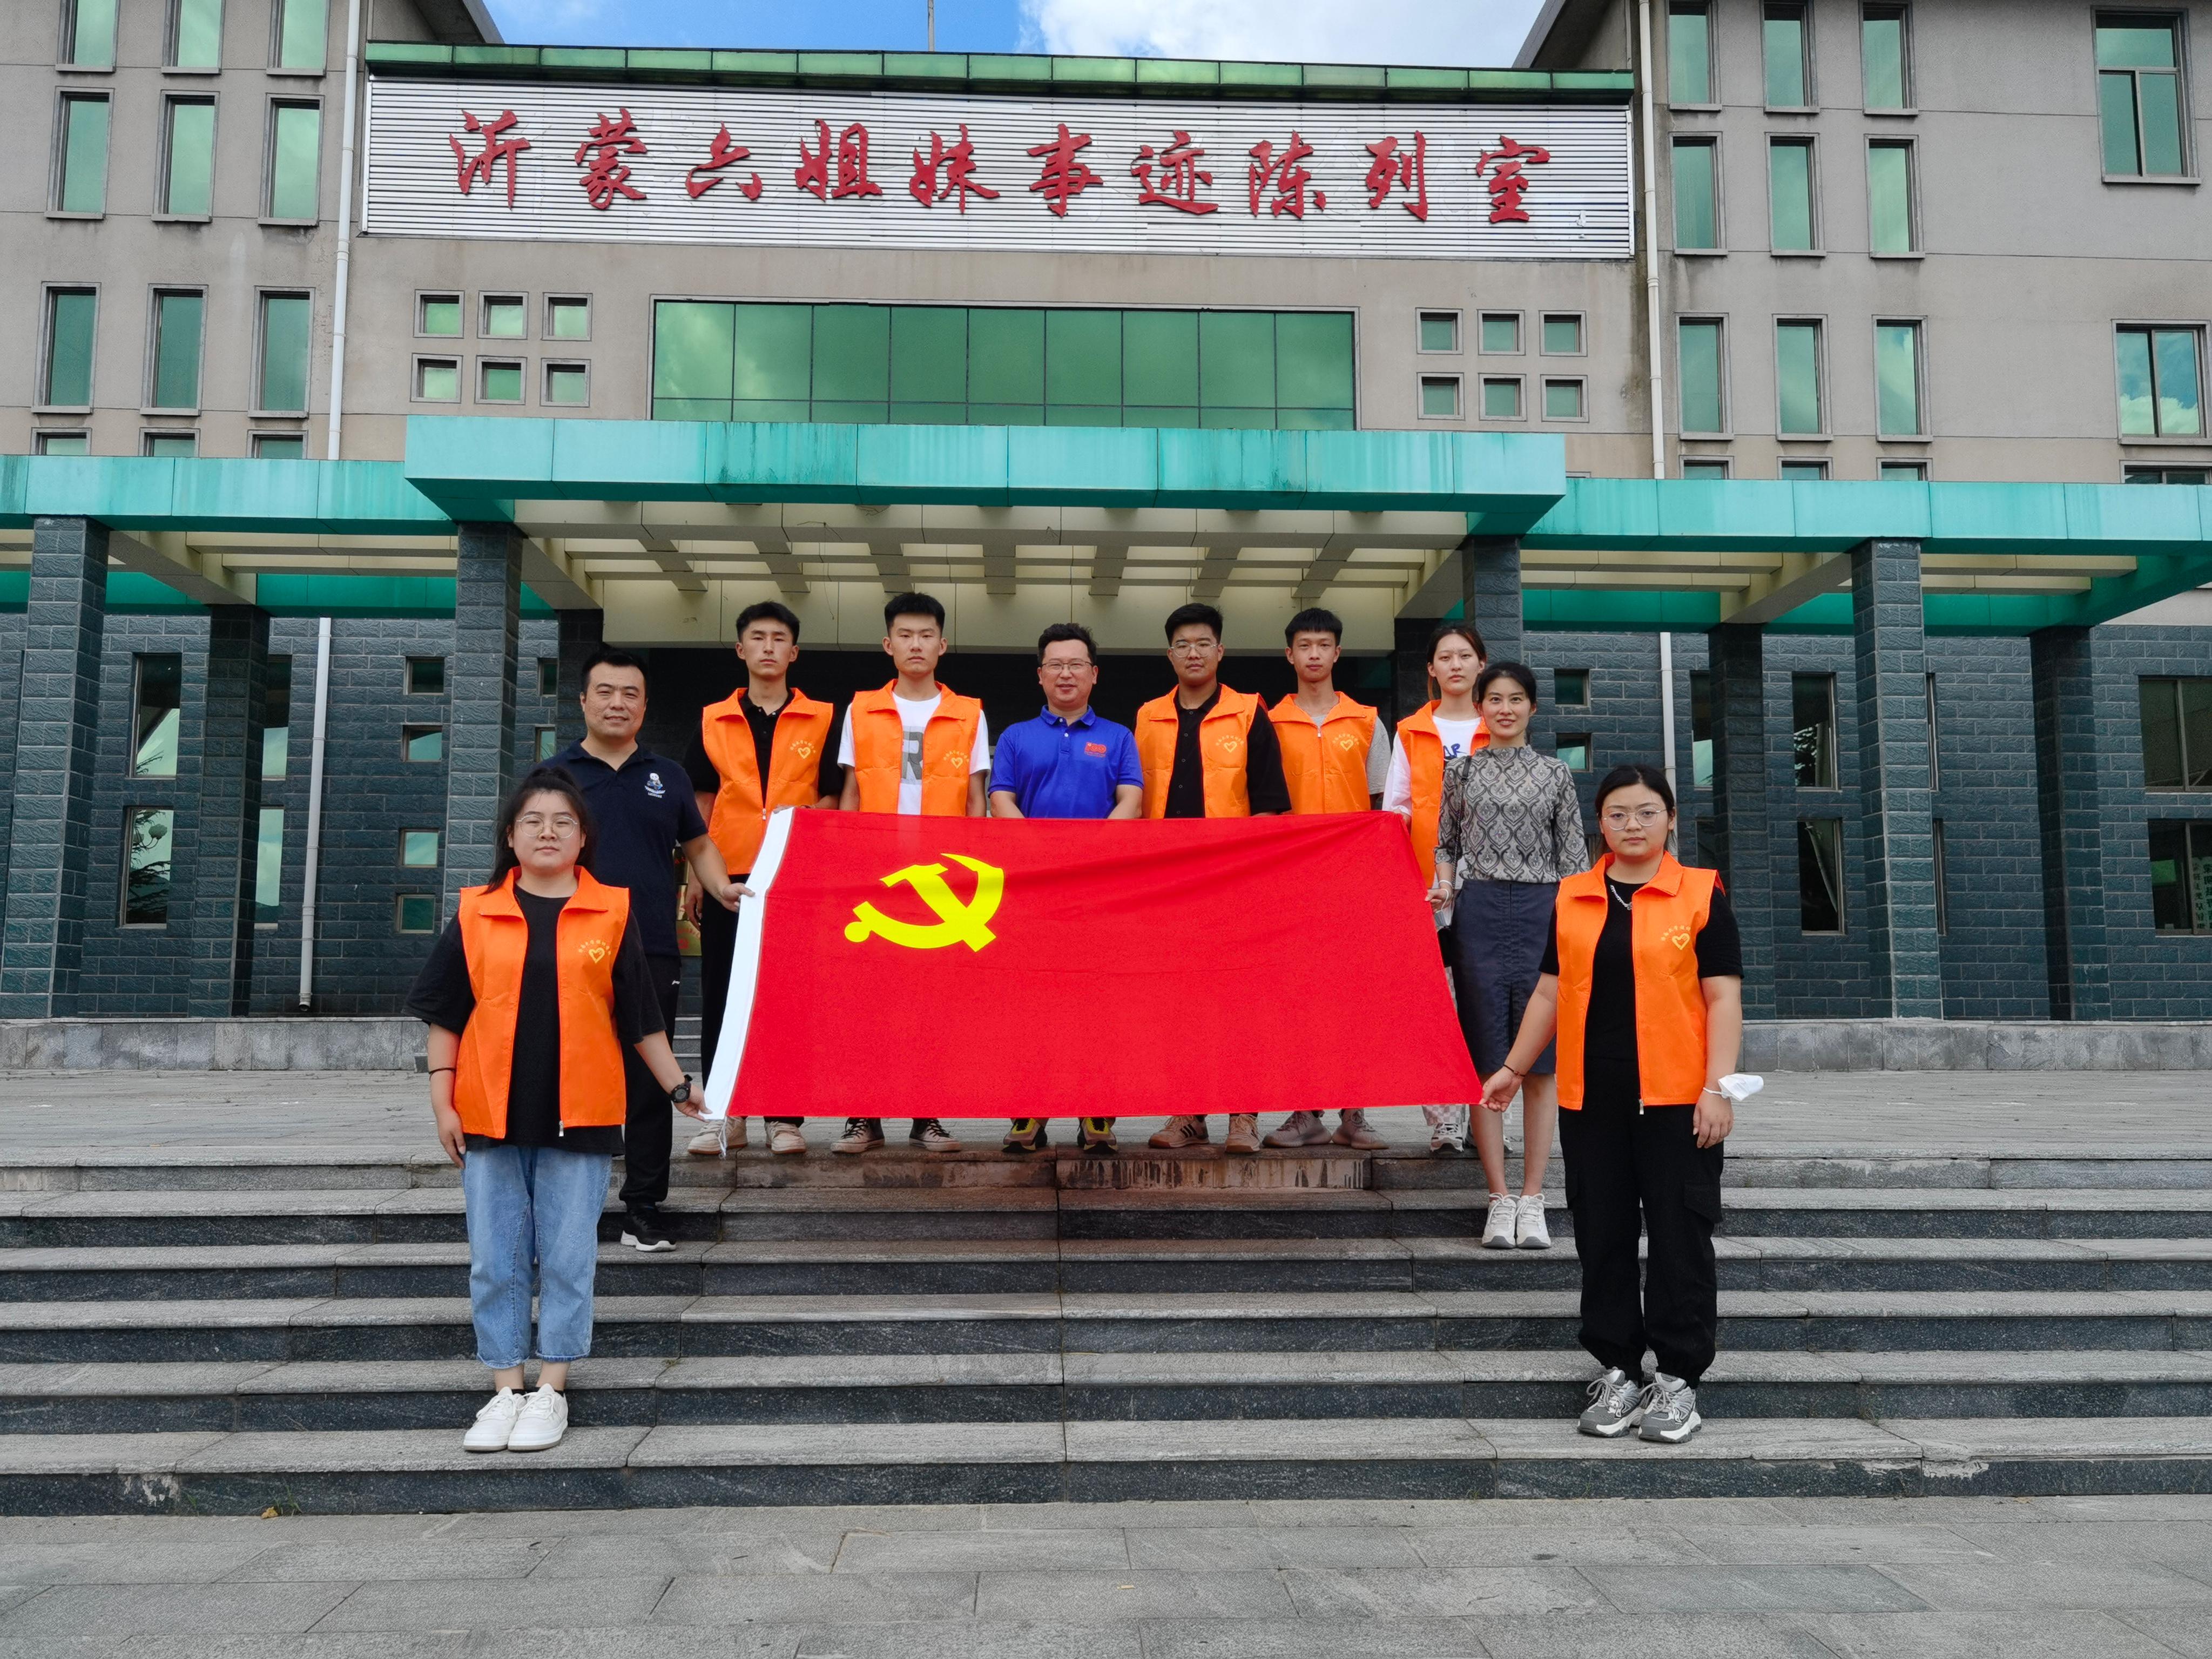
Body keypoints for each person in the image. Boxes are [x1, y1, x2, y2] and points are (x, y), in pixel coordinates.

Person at [408, 767, 699, 1455]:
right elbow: (446, 1014)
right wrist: (442, 1101)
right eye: (533, 821)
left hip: (583, 1114)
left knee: (568, 1259)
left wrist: (679, 1087)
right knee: (496, 1259)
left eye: (563, 822)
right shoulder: (477, 912)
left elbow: (641, 1018)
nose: (548, 832)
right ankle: (505, 1389)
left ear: (583, 838)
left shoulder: (612, 912)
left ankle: (552, 1389)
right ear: (510, 837)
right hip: (488, 1113)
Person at [1481, 763, 1743, 1446]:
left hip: (1678, 1103)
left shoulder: (1701, 894)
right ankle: (1619, 1369)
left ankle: (1678, 1380)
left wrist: (1717, 1089)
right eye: (1618, 813)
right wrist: (1512, 1068)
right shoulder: (1573, 897)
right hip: (1590, 1101)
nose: (1632, 825)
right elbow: (1548, 991)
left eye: (1647, 812)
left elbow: (1723, 998)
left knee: (1680, 1238)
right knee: (1602, 1237)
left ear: (1671, 820)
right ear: (1599, 823)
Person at [551, 649, 743, 1254]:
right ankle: (567, 1209)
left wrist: (722, 888)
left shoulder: (669, 776)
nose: (617, 703)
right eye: (605, 692)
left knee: (652, 1080)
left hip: (651, 946)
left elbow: (699, 845)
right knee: (569, 1075)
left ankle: (643, 1208)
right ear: (584, 701)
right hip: (570, 949)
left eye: (630, 693)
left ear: (644, 704)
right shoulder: (554, 778)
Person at [1427, 662, 1588, 1251]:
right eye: (1493, 699)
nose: (1504, 709)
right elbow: (1445, 841)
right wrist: (1445, 885)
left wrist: (1575, 924)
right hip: (1480, 912)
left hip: (1546, 910)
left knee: (1540, 1063)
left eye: (1516, 699)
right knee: (1485, 1058)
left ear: (1532, 708)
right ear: (1480, 708)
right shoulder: (1461, 770)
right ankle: (1498, 1199)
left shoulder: (1556, 773)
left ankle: (1533, 1196)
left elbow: (1574, 859)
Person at [681, 602, 844, 1162]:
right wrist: (697, 876)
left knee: (789, 995)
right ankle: (724, 1114)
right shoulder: (713, 719)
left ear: (793, 653)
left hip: (795, 875)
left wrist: (801, 826)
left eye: (779, 639)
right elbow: (700, 803)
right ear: (740, 649)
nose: (768, 647)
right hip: (727, 875)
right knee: (722, 994)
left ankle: (783, 1116)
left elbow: (834, 794)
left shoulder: (823, 718)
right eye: (758, 637)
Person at [833, 591, 990, 1156]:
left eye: (926, 635)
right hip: (877, 879)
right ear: (888, 644)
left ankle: (928, 1116)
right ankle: (863, 1116)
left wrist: (971, 877)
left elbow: (977, 799)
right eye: (905, 635)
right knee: (867, 1001)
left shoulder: (970, 712)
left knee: (933, 1004)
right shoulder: (860, 710)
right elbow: (850, 793)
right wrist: (847, 869)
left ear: (942, 645)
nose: (916, 644)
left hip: (940, 882)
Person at [1134, 602, 1290, 1155]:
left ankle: (1243, 1114)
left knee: (1238, 998)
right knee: (1179, 1000)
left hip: (1231, 884)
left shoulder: (1249, 713)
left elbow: (1270, 804)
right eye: (1183, 644)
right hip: (1168, 885)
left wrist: (1245, 872)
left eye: (1203, 643)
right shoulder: (1148, 716)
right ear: (1169, 654)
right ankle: (1188, 1113)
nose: (1193, 653)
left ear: (1220, 651)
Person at [989, 622, 1141, 1157]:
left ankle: (1096, 1112)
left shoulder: (1119, 737)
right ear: (1040, 675)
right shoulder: (1015, 737)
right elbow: (1001, 801)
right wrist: (1042, 856)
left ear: (1094, 674)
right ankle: (1028, 1111)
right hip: (1033, 894)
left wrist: (1090, 854)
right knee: (1032, 1004)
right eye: (1055, 665)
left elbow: (1131, 801)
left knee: (1098, 1004)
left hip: (1100, 893)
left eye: (1076, 664)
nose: (1066, 674)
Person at [1264, 606, 1394, 1153]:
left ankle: (1354, 1112)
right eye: (1304, 645)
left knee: (1352, 996)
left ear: (1337, 653)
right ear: (1289, 654)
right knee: (1296, 998)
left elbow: (1384, 804)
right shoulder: (1268, 722)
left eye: (1323, 645)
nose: (1314, 654)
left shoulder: (1366, 721)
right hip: (1289, 884)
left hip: (1350, 884)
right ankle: (1304, 1112)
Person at [1385, 623, 1489, 1155]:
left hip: (1492, 883)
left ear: (1480, 664)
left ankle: (1488, 1120)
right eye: (1445, 657)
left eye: (1464, 656)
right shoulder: (1410, 731)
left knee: (1488, 1000)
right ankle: (1444, 1122)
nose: (1455, 665)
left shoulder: (1500, 724)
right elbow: (1396, 808)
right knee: (1437, 1005)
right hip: (1429, 890)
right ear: (1431, 668)